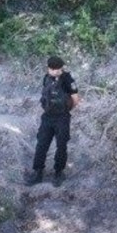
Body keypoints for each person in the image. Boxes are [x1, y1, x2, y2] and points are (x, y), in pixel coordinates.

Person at [26, 56, 80, 187]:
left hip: (62, 118)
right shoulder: (46, 78)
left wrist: (66, 110)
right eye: (52, 69)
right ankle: (38, 172)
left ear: (62, 68)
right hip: (47, 117)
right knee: (41, 144)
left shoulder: (68, 79)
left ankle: (58, 173)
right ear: (48, 68)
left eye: (57, 69)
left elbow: (75, 99)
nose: (55, 72)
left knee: (61, 145)